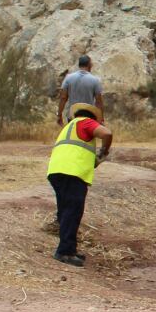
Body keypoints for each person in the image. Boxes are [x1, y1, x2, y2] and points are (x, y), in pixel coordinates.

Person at [47, 102, 113, 267]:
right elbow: (107, 133)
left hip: (56, 171)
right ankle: (64, 252)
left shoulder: (70, 126)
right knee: (73, 211)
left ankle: (69, 248)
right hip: (72, 172)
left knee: (65, 211)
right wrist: (104, 151)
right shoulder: (86, 122)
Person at [56, 55, 104, 125]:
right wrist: (101, 119)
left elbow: (63, 98)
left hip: (73, 116)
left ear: (79, 65)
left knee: (73, 135)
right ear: (89, 65)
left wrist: (59, 114)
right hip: (88, 117)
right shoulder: (95, 80)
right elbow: (99, 102)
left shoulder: (68, 78)